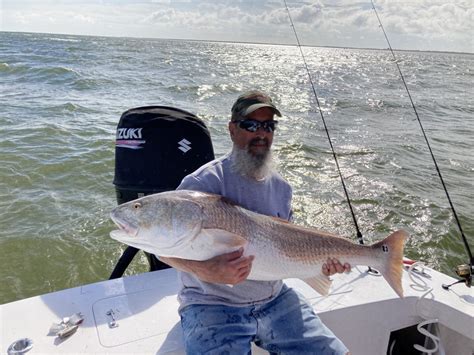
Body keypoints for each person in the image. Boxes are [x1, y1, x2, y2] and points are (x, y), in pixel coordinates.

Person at [160, 90, 351, 354]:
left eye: (268, 126)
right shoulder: (202, 184)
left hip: (275, 299)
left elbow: (288, 248)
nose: (261, 133)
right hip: (212, 303)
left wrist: (322, 266)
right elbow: (162, 247)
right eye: (251, 125)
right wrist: (207, 272)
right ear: (232, 130)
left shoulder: (282, 188)